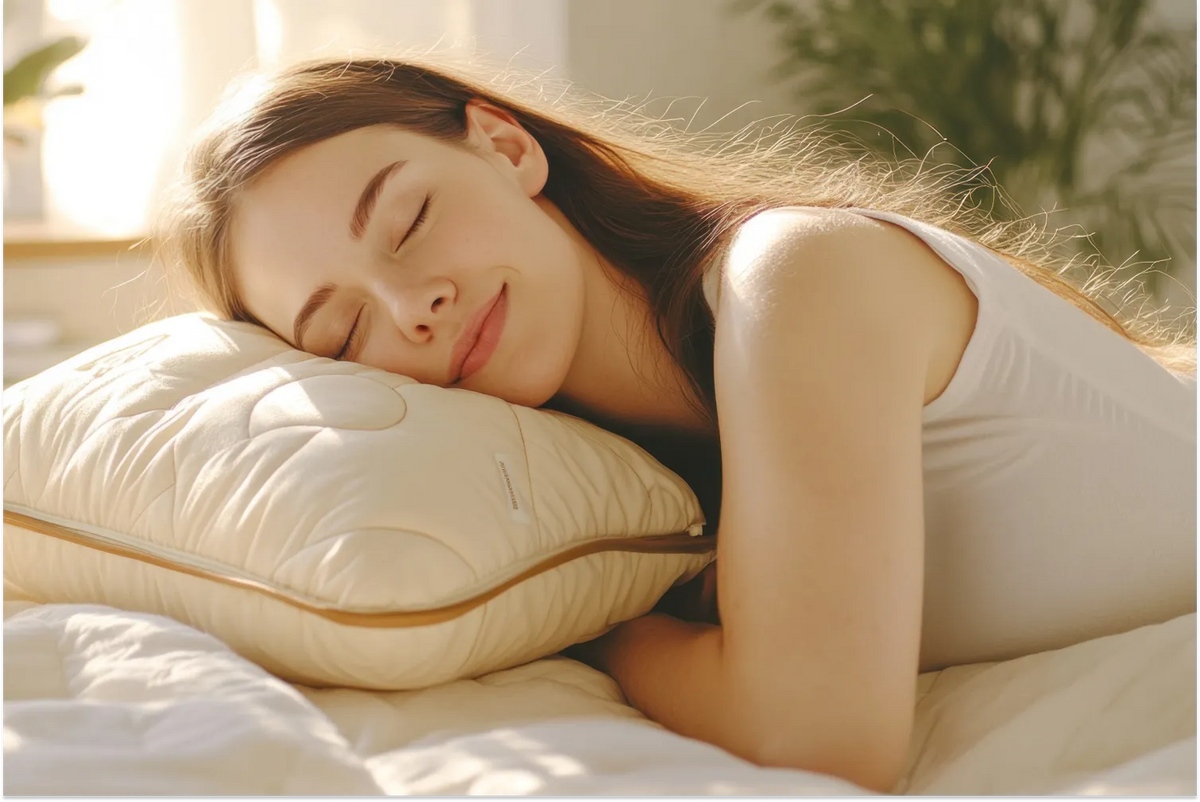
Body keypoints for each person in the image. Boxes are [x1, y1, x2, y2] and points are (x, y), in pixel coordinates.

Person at [156, 55, 1196, 793]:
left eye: (408, 218)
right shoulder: (611, 486)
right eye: (341, 331)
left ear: (506, 146)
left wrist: (608, 627)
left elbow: (822, 740)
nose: (408, 306)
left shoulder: (799, 273)